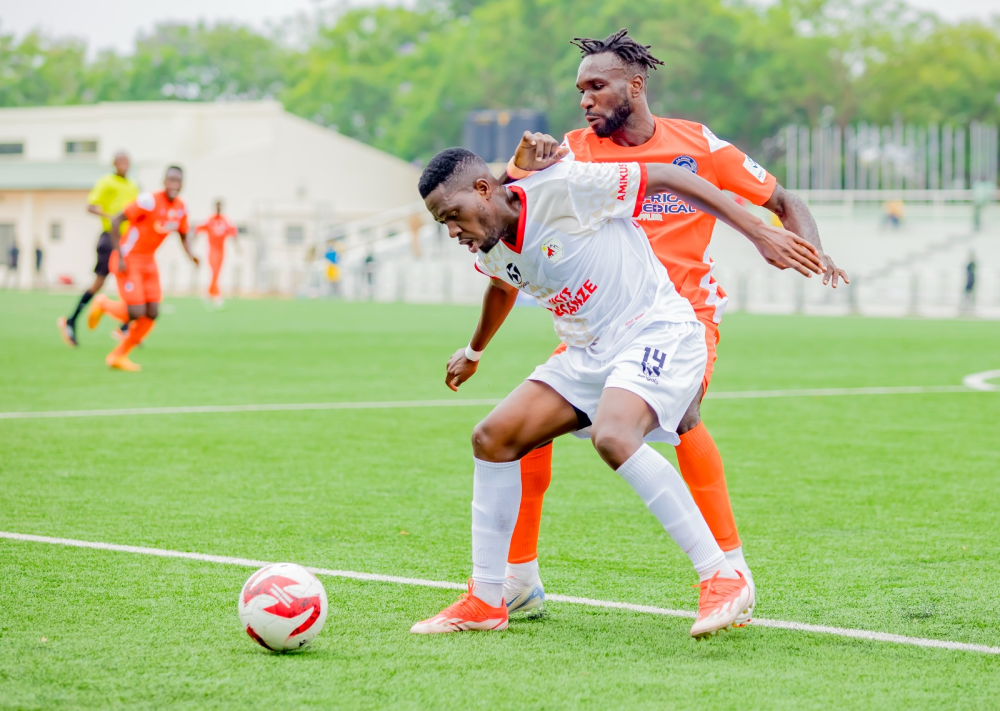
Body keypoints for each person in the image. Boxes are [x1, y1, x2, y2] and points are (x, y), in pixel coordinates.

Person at [497, 29, 847, 624]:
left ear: (635, 85)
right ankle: (519, 580)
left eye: (596, 86)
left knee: (683, 417)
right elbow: (502, 208)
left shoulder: (698, 145)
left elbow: (783, 200)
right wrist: (517, 166)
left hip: (684, 317)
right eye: (580, 89)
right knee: (526, 432)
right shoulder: (572, 152)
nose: (584, 99)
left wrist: (808, 249)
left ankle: (731, 572)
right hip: (603, 322)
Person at [409, 148, 822, 638]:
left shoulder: (564, 188)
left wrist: (757, 230)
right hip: (586, 353)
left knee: (614, 435)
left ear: (483, 190)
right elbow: (502, 287)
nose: (452, 231)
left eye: (452, 215)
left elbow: (666, 175)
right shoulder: (490, 244)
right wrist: (474, 352)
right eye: (443, 223)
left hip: (656, 331)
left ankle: (723, 576)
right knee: (492, 438)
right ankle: (487, 599)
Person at [88, 165, 198, 371]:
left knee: (152, 312)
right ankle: (103, 304)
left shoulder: (181, 208)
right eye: (171, 180)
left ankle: (118, 356)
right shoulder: (149, 201)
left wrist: (191, 254)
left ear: (183, 184)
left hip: (148, 261)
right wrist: (120, 254)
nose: (174, 185)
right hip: (128, 258)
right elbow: (116, 220)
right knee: (135, 311)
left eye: (178, 181)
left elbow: (183, 234)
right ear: (164, 181)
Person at [58, 151, 136, 347]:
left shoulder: (133, 186)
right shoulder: (106, 181)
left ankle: (125, 328)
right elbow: (91, 206)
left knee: (132, 281)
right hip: (110, 238)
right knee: (99, 282)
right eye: (120, 161)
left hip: (128, 241)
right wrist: (112, 217)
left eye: (127, 161)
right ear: (114, 163)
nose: (124, 164)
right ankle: (71, 320)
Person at [195, 200, 238, 306]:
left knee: (217, 272)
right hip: (212, 249)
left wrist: (237, 247)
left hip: (221, 250)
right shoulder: (210, 220)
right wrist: (193, 241)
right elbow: (198, 228)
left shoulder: (225, 221)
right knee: (214, 271)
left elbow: (233, 232)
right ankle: (217, 295)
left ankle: (209, 292)